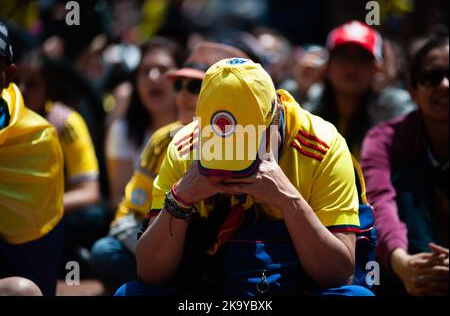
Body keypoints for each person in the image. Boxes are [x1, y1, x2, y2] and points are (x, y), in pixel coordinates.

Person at [116, 58, 373, 296]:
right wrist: (180, 199)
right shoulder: (186, 146)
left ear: (275, 117)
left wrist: (290, 202)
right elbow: (150, 273)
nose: (233, 156)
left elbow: (340, 274)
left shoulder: (323, 147)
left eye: (247, 142)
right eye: (219, 140)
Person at [90, 42, 249, 293]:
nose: (183, 95)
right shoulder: (163, 139)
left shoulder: (247, 140)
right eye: (178, 85)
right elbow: (130, 211)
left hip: (226, 250)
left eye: (195, 86)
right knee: (104, 252)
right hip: (170, 243)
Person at [360, 33, 449, 296]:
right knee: (409, 180)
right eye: (432, 77)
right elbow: (379, 201)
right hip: (406, 268)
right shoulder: (384, 140)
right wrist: (402, 262)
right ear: (412, 90)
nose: (444, 85)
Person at [15, 50, 104, 274]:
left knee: (93, 219)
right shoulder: (3, 119)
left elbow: (89, 192)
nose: (22, 90)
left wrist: (38, 208)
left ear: (48, 90)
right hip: (11, 215)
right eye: (17, 82)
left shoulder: (66, 124)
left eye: (33, 84)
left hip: (53, 215)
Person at [0, 22, 64, 296]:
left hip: (13, 273)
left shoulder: (38, 138)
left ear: (8, 75)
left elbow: (37, 272)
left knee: (23, 292)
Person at [303, 20, 415, 158]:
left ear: (377, 68)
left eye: (362, 58)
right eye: (342, 57)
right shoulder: (308, 108)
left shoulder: (393, 109)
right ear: (327, 66)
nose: (351, 66)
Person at [105, 37, 179, 208]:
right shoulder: (122, 130)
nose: (153, 77)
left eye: (163, 69)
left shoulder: (200, 130)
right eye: (145, 71)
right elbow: (118, 198)